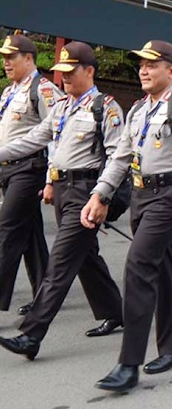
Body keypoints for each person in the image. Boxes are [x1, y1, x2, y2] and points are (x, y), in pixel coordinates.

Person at [82, 40, 172, 392]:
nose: (143, 69)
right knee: (161, 271)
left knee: (138, 267)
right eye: (141, 64)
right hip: (142, 195)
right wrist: (100, 194)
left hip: (171, 197)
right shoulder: (139, 109)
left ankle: (128, 364)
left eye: (152, 65)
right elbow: (120, 158)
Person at [0, 42, 125, 361]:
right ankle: (115, 311)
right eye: (61, 72)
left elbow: (117, 157)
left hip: (87, 192)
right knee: (85, 257)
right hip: (64, 189)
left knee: (60, 260)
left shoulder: (106, 107)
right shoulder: (62, 107)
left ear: (90, 71)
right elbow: (34, 140)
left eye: (71, 72)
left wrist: (102, 196)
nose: (65, 78)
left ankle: (31, 334)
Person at [0, 34, 63, 316]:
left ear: (28, 58)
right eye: (4, 58)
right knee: (30, 234)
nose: (6, 63)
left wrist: (51, 179)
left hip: (29, 169)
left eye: (11, 57)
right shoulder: (9, 91)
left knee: (7, 232)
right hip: (8, 169)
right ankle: (44, 293)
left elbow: (56, 134)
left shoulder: (44, 90)